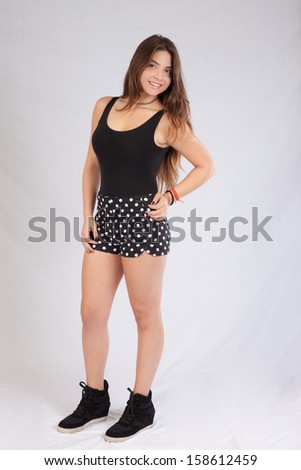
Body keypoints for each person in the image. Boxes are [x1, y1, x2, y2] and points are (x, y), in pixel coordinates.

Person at [57, 34, 216, 442]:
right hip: (106, 221)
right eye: (153, 66)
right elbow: (91, 164)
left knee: (145, 316)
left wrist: (172, 195)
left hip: (144, 223)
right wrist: (88, 215)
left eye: (168, 70)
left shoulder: (169, 120)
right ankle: (95, 397)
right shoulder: (104, 106)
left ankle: (141, 404)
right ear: (138, 65)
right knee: (91, 312)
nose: (160, 76)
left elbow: (206, 165)